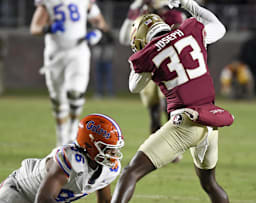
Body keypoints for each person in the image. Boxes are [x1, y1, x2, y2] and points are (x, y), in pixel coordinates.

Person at [112, 0, 234, 202]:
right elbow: (219, 27)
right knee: (209, 184)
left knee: (130, 173)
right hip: (210, 121)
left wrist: (141, 54)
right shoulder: (190, 31)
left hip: (185, 124)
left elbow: (134, 87)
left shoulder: (148, 54)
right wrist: (188, 3)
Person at [0, 113, 125, 203]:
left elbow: (105, 200)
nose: (113, 154)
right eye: (108, 148)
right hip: (19, 193)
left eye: (114, 149)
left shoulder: (107, 169)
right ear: (90, 145)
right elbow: (44, 199)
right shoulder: (70, 160)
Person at [30, 0, 109, 146]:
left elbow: (101, 23)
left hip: (78, 51)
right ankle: (61, 138)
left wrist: (98, 33)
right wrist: (49, 28)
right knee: (57, 100)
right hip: (55, 54)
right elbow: (35, 27)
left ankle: (72, 132)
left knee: (75, 92)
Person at [119, 0, 185, 134]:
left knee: (169, 107)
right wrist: (132, 13)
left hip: (168, 67)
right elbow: (124, 38)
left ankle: (174, 149)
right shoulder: (142, 17)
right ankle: (156, 147)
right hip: (149, 67)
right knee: (154, 111)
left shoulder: (175, 16)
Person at [93, 31, 115, 98]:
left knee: (109, 77)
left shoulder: (108, 35)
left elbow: (112, 41)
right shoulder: (97, 34)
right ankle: (99, 93)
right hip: (99, 59)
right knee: (99, 77)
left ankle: (110, 93)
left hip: (107, 59)